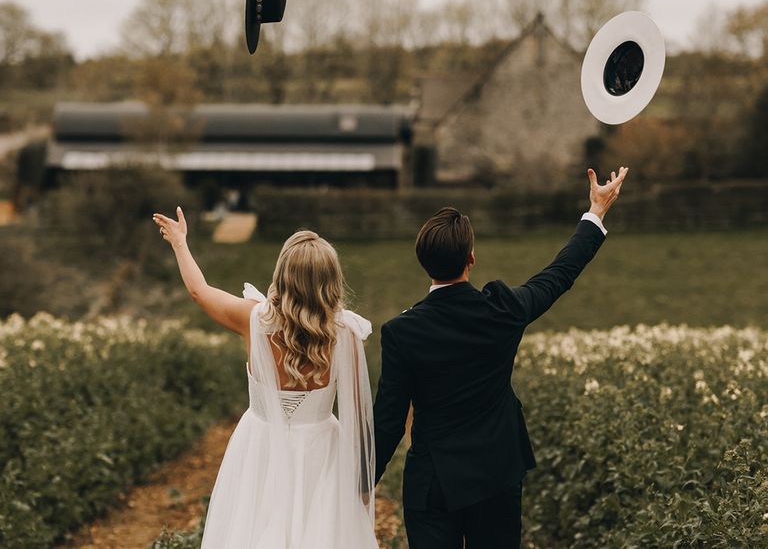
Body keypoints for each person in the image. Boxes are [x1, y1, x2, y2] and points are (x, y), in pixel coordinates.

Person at [373, 166, 628, 549]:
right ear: (470, 259)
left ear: (422, 261)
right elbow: (559, 274)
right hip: (496, 473)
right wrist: (596, 212)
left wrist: (360, 484)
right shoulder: (503, 310)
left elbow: (389, 421)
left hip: (433, 483)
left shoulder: (401, 332)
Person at [152, 209, 378, 549]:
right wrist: (361, 489)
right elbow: (359, 419)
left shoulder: (255, 320)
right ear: (331, 280)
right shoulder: (345, 334)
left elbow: (200, 292)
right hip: (323, 451)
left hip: (260, 446)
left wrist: (181, 244)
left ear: (283, 275)